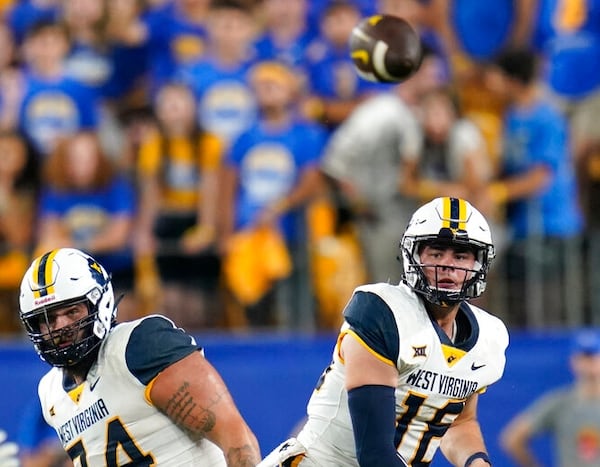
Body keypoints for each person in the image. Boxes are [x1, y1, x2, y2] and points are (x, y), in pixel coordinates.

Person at [259, 196, 509, 467]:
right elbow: (374, 454)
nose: (447, 265)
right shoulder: (382, 313)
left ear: (478, 265)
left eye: (460, 255)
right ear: (413, 255)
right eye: (436, 253)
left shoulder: (488, 337)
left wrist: (477, 463)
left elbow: (458, 422)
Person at [18, 247, 261, 466]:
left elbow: (236, 438)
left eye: (72, 311)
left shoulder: (140, 346)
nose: (61, 327)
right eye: (46, 319)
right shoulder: (50, 393)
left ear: (98, 304)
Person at [500, 329, 600, 467]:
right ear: (574, 361)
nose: (590, 362)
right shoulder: (561, 403)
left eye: (594, 355)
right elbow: (512, 439)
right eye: (585, 356)